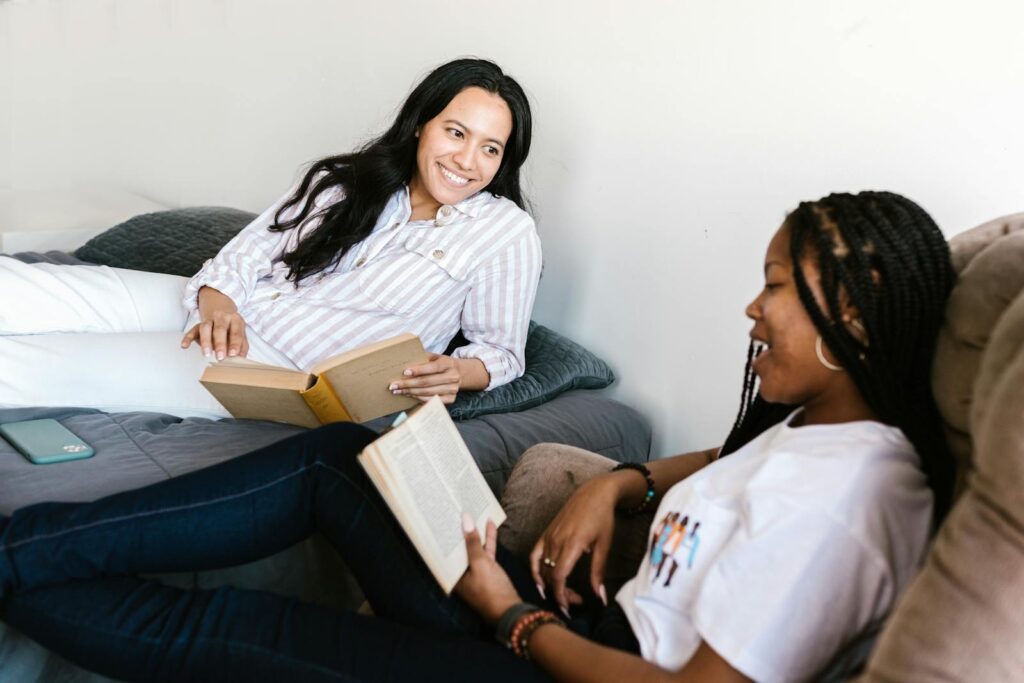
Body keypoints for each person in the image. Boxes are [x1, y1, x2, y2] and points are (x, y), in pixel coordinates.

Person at [0, 191, 956, 682]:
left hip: (549, 661)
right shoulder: (822, 436)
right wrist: (617, 481)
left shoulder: (849, 502)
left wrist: (512, 616)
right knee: (338, 457)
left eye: (778, 284)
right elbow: (731, 467)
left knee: (224, 628)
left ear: (854, 317)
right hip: (562, 631)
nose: (753, 306)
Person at [0, 58, 541, 417]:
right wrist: (216, 301)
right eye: (456, 132)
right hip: (226, 304)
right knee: (33, 287)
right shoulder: (350, 181)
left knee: (46, 365)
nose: (467, 161)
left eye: (491, 148)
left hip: (265, 366)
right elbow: (250, 251)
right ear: (423, 123)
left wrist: (460, 371)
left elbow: (502, 352)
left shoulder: (505, 233)